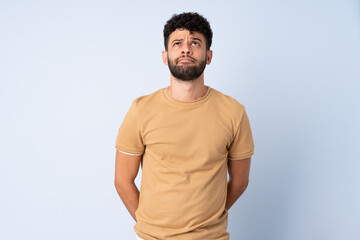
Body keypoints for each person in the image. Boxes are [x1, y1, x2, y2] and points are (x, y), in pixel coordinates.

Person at [114, 12, 255, 240]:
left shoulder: (234, 113)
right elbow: (122, 180)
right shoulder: (141, 110)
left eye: (195, 43)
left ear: (208, 56)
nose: (186, 49)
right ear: (165, 56)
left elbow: (240, 181)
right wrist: (150, 226)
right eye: (177, 43)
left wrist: (210, 218)